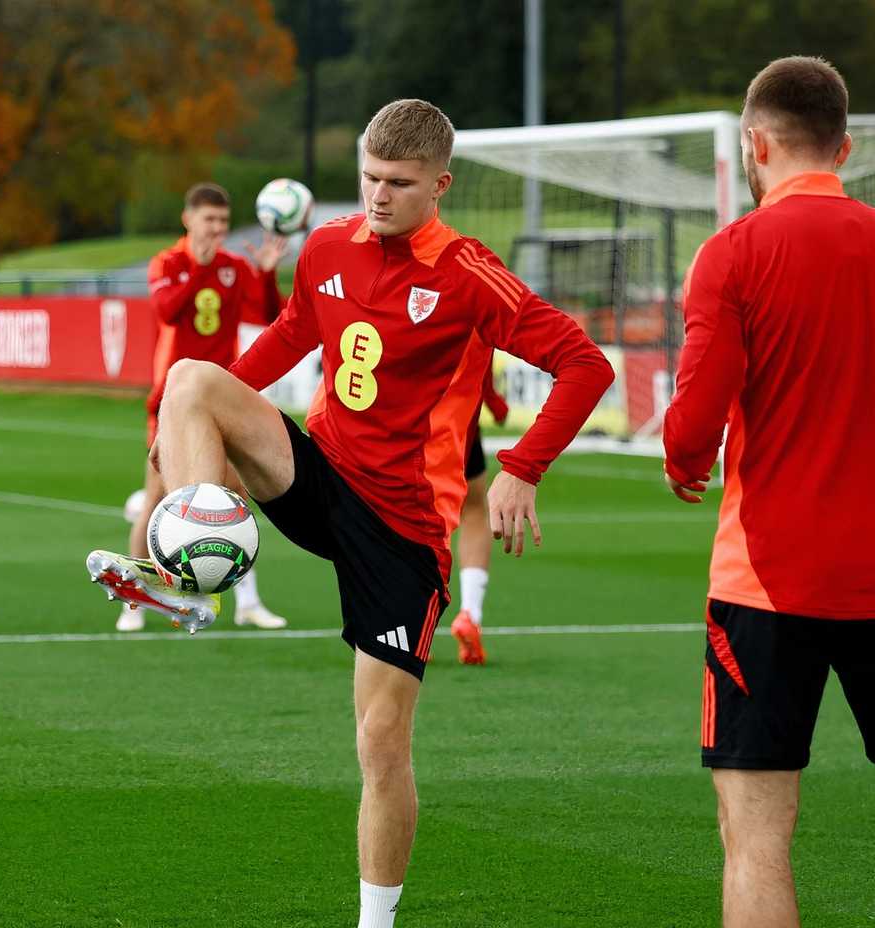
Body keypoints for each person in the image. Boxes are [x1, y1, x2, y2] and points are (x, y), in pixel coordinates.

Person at [88, 99, 613, 927]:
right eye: (369, 177)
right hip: (322, 475)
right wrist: (196, 421)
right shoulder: (330, 244)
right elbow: (293, 330)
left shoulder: (469, 273)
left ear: (439, 186)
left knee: (380, 741)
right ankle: (188, 577)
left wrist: (521, 468)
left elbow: (584, 364)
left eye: (398, 183)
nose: (378, 195)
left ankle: (376, 922)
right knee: (189, 380)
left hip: (404, 529)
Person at [663, 56, 875, 928]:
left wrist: (683, 463)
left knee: (756, 838)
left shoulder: (733, 253)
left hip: (767, 583)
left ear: (755, 144)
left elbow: (693, 423)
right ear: (843, 147)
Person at [117, 181, 289, 632]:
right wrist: (199, 268)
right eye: (209, 219)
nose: (217, 229)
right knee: (159, 500)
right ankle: (133, 604)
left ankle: (248, 601)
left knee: (234, 500)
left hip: (222, 400)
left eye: (223, 222)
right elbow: (167, 311)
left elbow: (270, 314)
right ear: (188, 219)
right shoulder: (169, 263)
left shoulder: (233, 267)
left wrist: (267, 273)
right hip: (172, 401)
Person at [449, 367, 509, 665]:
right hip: (463, 420)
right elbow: (482, 358)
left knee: (411, 516)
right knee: (473, 510)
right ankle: (470, 613)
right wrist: (495, 403)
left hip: (416, 418)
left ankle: (411, 621)